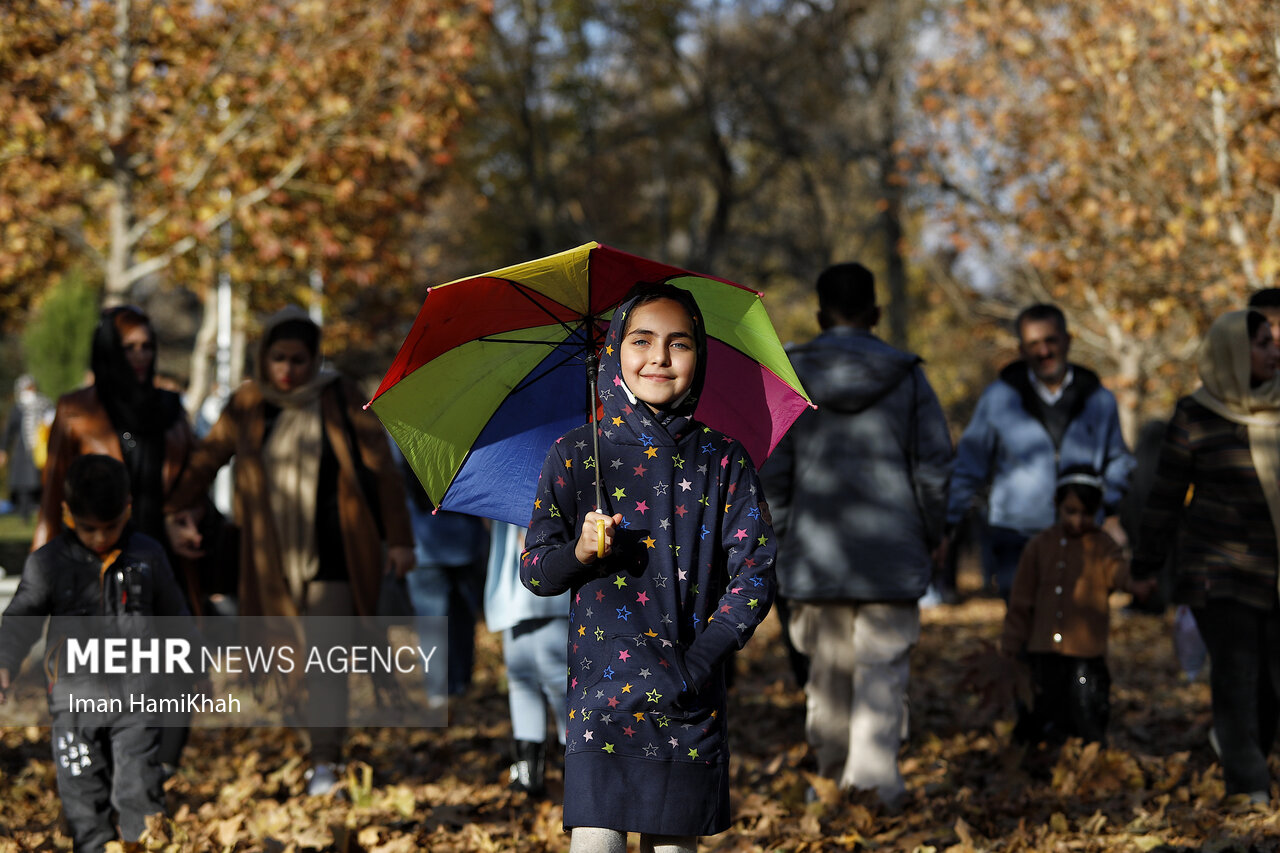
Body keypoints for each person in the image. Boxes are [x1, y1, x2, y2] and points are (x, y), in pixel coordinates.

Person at [520, 283, 777, 853]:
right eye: (641, 340)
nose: (658, 358)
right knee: (596, 843)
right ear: (614, 350)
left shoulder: (723, 459)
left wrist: (701, 662)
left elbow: (756, 572)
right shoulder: (576, 455)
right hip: (601, 702)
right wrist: (580, 553)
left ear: (700, 356)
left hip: (690, 696)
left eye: (678, 343)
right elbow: (536, 571)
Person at [167, 306, 415, 796]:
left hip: (335, 554)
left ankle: (325, 762)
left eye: (298, 360)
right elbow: (206, 459)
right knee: (284, 663)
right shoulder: (248, 402)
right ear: (264, 357)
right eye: (278, 358)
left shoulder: (339, 396)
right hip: (266, 562)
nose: (287, 370)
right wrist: (177, 509)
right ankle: (311, 749)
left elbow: (381, 470)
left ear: (314, 359)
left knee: (327, 658)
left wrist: (401, 538)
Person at [758, 262, 952, 807]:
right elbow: (935, 468)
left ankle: (833, 778)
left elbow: (774, 471)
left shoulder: (790, 377)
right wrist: (933, 530)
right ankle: (873, 786)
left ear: (820, 315)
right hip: (893, 551)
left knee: (826, 674)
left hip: (816, 555)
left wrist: (782, 540)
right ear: (877, 314)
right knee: (882, 672)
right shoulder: (909, 376)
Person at [0, 455, 194, 852]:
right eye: (89, 528)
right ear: (68, 512)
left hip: (138, 700)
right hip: (73, 706)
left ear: (128, 508)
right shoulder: (48, 563)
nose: (100, 537)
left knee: (139, 791)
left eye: (111, 526)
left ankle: (141, 844)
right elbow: (21, 618)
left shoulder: (148, 556)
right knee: (83, 800)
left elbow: (176, 616)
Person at [1132, 309, 1280, 804]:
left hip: (1273, 573)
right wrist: (1145, 567)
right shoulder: (1194, 415)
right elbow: (1166, 496)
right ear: (1234, 353)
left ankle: (1250, 755)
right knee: (1237, 678)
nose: (1274, 350)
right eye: (1262, 343)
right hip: (1219, 574)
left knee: (1271, 682)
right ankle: (1249, 783)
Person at [944, 304, 1134, 600]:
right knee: (1024, 632)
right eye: (1033, 344)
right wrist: (946, 526)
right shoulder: (999, 398)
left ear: (1067, 340)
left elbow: (1119, 458)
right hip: (1016, 537)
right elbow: (969, 465)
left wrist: (1104, 505)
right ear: (1021, 349)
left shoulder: (1099, 399)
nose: (1043, 351)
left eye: (1050, 340)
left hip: (1082, 535)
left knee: (1078, 636)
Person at [1001, 465, 1154, 746]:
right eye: (1070, 511)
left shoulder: (1102, 545)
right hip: (1043, 651)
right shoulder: (1039, 546)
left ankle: (1088, 757)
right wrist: (1012, 642)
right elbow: (1021, 600)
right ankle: (1035, 760)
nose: (1077, 520)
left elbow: (1116, 570)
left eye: (1085, 513)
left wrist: (1134, 583)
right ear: (1058, 506)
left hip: (1085, 654)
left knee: (1086, 707)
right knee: (1038, 709)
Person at [34, 306, 196, 554]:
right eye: (129, 348)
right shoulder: (76, 410)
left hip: (163, 554)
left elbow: (195, 478)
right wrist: (42, 567)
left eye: (147, 346)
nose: (141, 356)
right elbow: (53, 496)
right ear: (109, 350)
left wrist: (181, 514)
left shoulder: (170, 409)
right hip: (97, 555)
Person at [484, 521, 568, 796]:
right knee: (523, 681)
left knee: (558, 681)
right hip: (517, 583)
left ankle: (575, 769)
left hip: (550, 579)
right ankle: (528, 772)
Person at [399, 456, 488, 703]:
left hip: (422, 542)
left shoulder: (398, 431)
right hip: (464, 537)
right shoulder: (467, 432)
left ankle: (438, 691)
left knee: (432, 622)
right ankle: (460, 686)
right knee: (462, 618)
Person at [1, 375, 53, 522]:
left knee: (39, 482)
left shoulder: (45, 404)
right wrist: (3, 449)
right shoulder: (18, 408)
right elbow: (9, 431)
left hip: (41, 449)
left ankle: (40, 512)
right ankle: (25, 515)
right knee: (23, 484)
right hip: (22, 451)